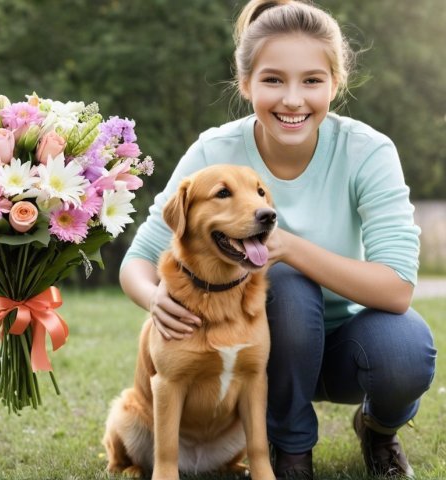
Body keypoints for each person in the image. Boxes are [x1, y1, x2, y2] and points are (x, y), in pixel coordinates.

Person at [118, 0, 437, 478]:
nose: (292, 100)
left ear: (335, 83)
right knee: (283, 285)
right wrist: (153, 297)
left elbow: (397, 288)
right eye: (273, 80)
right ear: (246, 84)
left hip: (350, 345)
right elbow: (138, 258)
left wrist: (287, 247)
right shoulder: (214, 150)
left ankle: (378, 427)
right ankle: (290, 451)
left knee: (407, 348)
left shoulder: (368, 151)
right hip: (268, 347)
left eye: (312, 80)